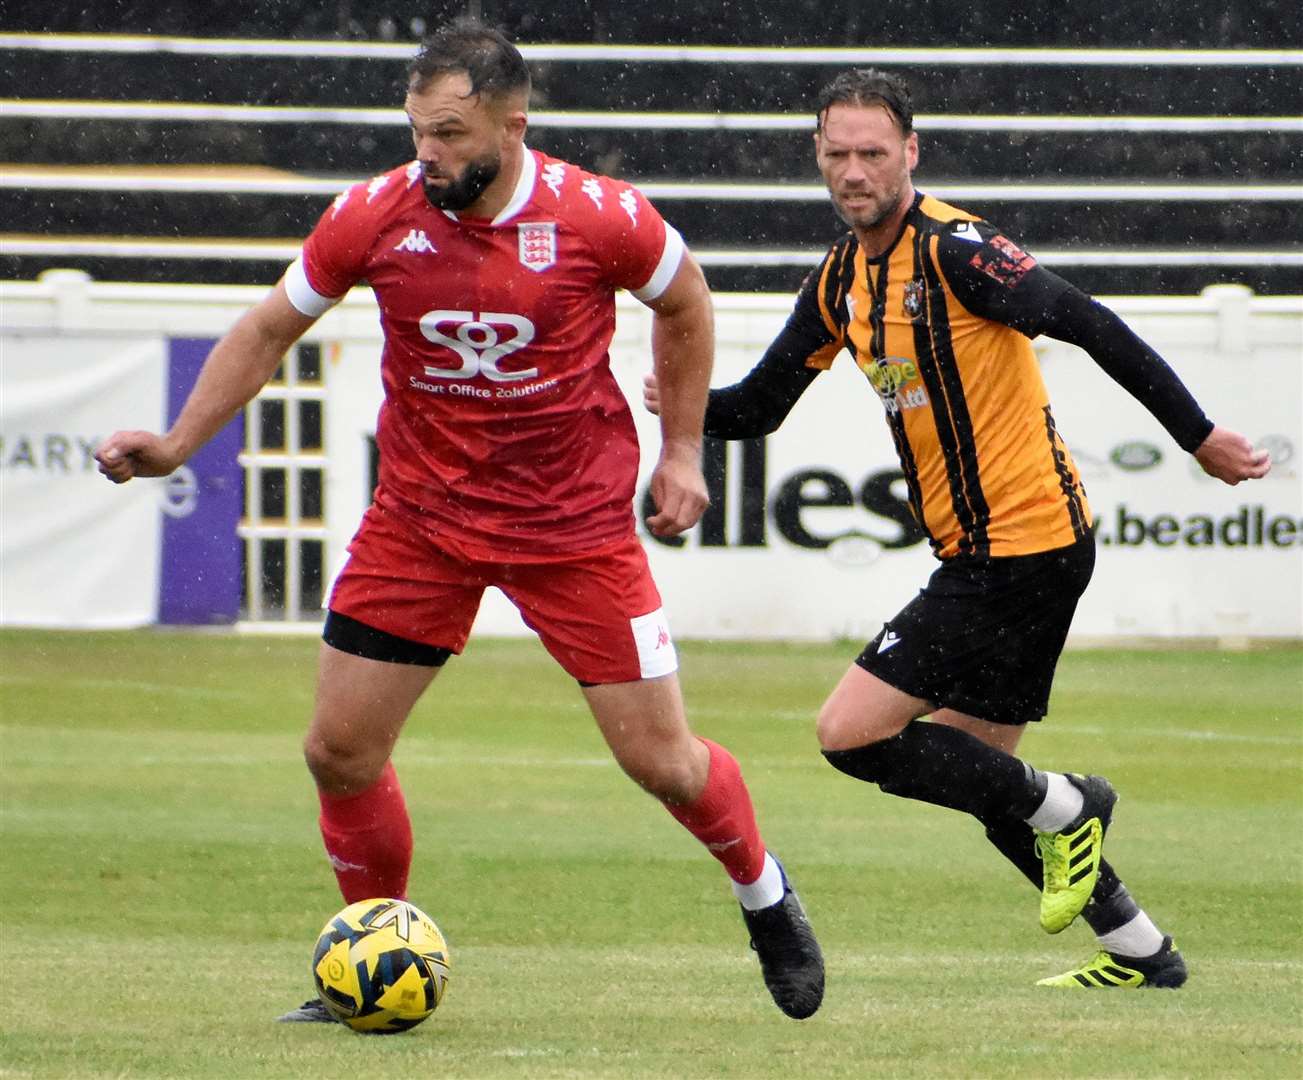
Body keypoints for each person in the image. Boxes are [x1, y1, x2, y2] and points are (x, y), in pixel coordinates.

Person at [95, 19, 823, 1021]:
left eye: (447, 134)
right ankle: (374, 953)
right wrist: (178, 443)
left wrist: (685, 450)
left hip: (572, 530)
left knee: (662, 761)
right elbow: (271, 326)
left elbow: (686, 303)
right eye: (416, 132)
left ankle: (764, 894)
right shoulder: (375, 215)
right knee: (337, 750)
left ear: (511, 125)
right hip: (422, 523)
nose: (427, 155)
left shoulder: (598, 216)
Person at [646, 68, 1270, 989]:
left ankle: (1073, 803)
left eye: (872, 152)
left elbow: (1086, 320)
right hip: (1000, 553)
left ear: (910, 153)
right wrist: (680, 410)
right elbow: (766, 403)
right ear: (817, 156)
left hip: (1021, 549)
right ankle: (1142, 953)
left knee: (851, 735)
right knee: (980, 775)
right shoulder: (839, 280)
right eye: (837, 153)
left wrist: (1198, 435)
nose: (854, 170)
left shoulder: (957, 251)